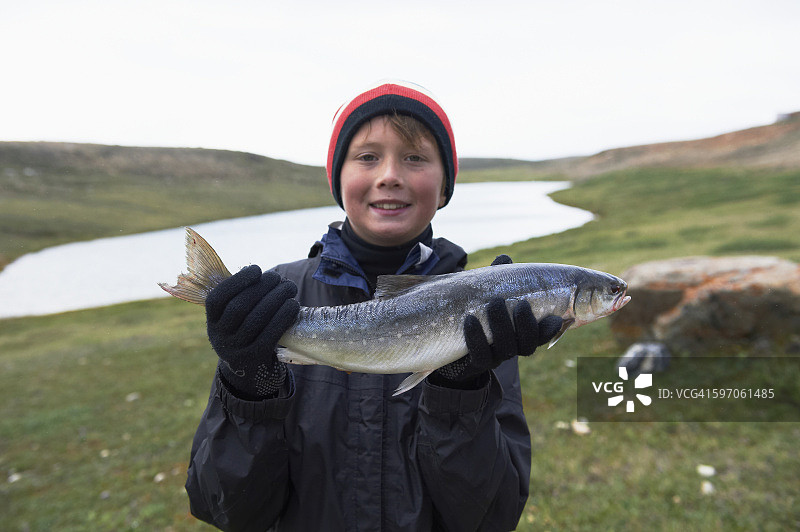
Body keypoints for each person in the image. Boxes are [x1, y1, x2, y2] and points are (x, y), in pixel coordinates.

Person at [185, 80, 563, 531]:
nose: (389, 175)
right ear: (337, 179)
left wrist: (460, 391)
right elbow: (226, 510)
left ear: (445, 186)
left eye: (415, 157)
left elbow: (491, 519)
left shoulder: (487, 318)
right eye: (367, 157)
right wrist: (249, 388)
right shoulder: (276, 299)